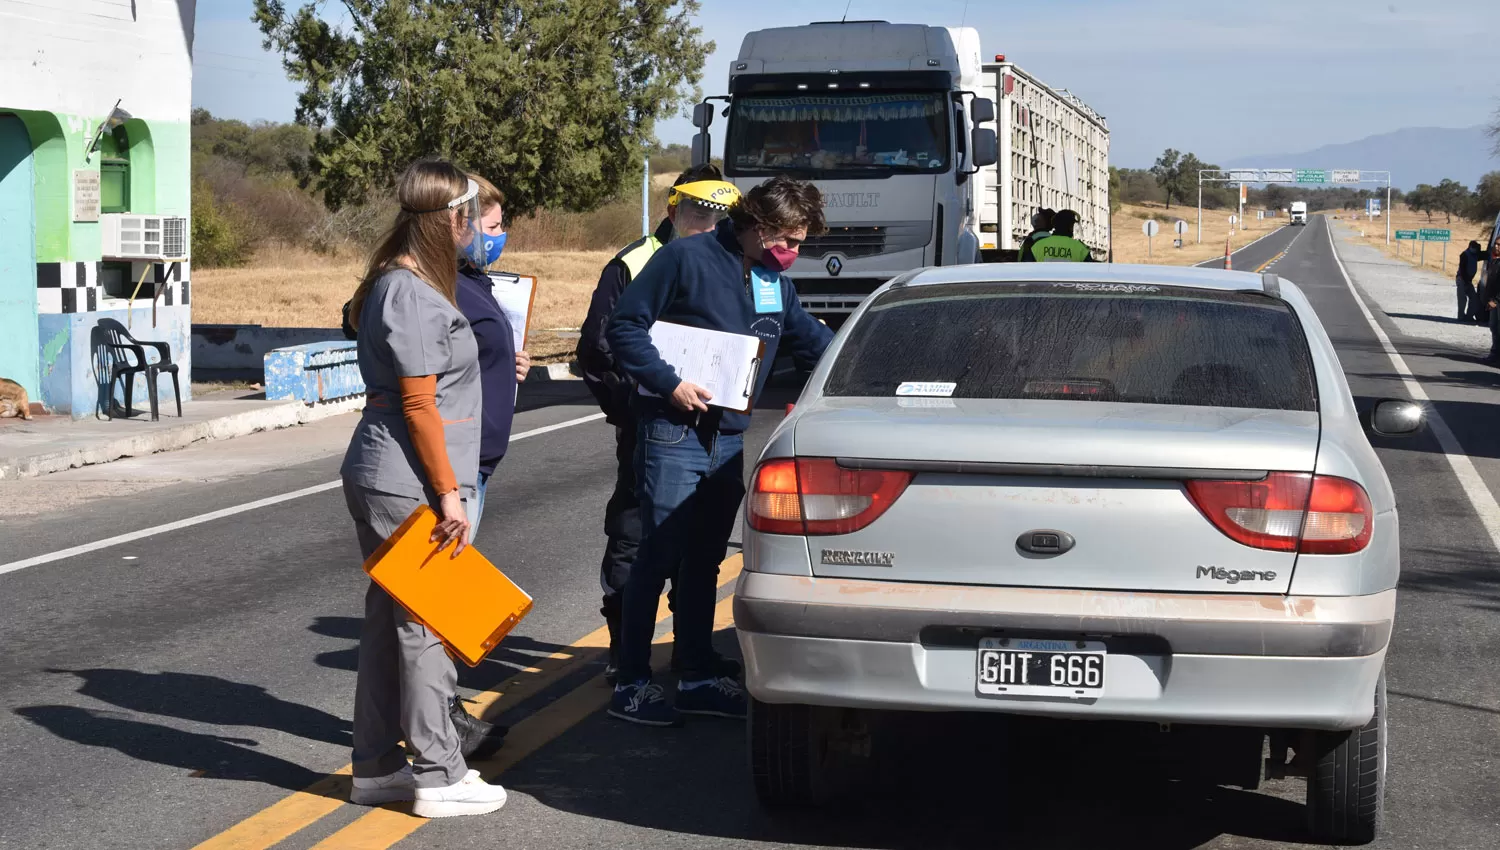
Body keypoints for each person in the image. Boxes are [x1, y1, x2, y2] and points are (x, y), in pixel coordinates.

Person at [605, 175, 835, 726]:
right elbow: (625, 327)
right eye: (787, 240)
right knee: (658, 556)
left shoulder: (776, 283)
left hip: (728, 436)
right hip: (674, 429)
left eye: (801, 242)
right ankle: (632, 680)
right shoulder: (685, 259)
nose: (794, 253)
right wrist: (668, 382)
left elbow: (808, 341)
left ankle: (696, 673)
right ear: (756, 225)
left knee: (706, 558)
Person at [339, 159, 508, 818]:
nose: (479, 232)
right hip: (406, 479)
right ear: (454, 219)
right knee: (427, 624)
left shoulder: (409, 284)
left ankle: (377, 765)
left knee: (389, 622)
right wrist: (449, 497)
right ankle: (439, 772)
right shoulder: (408, 291)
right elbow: (417, 405)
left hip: (401, 474)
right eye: (474, 218)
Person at [577, 165, 743, 684]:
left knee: (700, 545)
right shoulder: (635, 262)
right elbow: (599, 348)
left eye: (722, 217)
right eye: (700, 215)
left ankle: (691, 650)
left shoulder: (734, 261)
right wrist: (637, 408)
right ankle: (625, 651)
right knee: (635, 535)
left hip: (713, 429)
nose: (710, 227)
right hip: (653, 423)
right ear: (673, 211)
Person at [1027, 209, 1096, 262]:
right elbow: (1089, 273)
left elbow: (1027, 270)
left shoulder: (1038, 246)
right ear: (1071, 227)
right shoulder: (1080, 248)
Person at [1458, 240, 1485, 323]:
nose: (1476, 249)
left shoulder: (1475, 255)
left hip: (1468, 280)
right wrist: (1466, 281)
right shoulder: (1464, 255)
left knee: (1474, 298)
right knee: (1462, 299)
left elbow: (1483, 255)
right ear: (1470, 247)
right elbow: (1462, 269)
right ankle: (1461, 317)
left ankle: (1469, 316)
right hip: (1462, 279)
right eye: (1475, 248)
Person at [1483, 240, 1500, 365]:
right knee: (1493, 327)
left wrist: (1496, 300)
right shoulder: (1494, 262)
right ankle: (1494, 354)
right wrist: (1489, 299)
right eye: (1496, 244)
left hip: (1498, 300)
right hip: (1493, 300)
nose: (1496, 246)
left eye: (1499, 244)